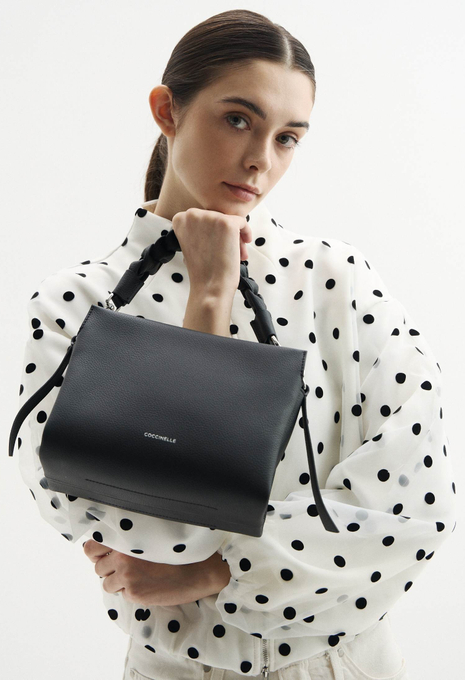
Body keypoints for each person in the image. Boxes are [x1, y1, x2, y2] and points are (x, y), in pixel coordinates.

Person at [11, 9, 456, 680]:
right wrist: (211, 297)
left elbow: (416, 505)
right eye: (239, 119)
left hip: (343, 665)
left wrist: (216, 570)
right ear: (167, 110)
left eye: (288, 138)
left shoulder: (333, 280)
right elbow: (120, 524)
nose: (260, 160)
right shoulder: (77, 306)